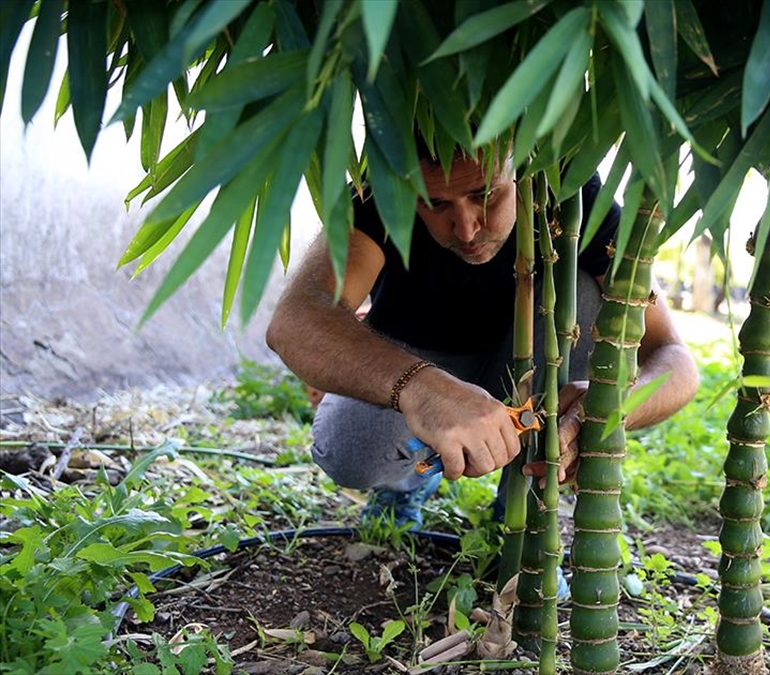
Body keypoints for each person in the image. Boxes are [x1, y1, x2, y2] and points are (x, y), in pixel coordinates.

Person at [266, 146, 699, 529]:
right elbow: (295, 320)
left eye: (485, 195)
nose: (467, 228)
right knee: (350, 448)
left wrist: (610, 408)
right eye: (434, 203)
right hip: (413, 356)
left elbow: (673, 357)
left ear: (522, 163)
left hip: (537, 368)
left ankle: (524, 513)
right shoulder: (380, 188)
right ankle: (405, 484)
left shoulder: (570, 189)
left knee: (584, 287)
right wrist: (425, 390)